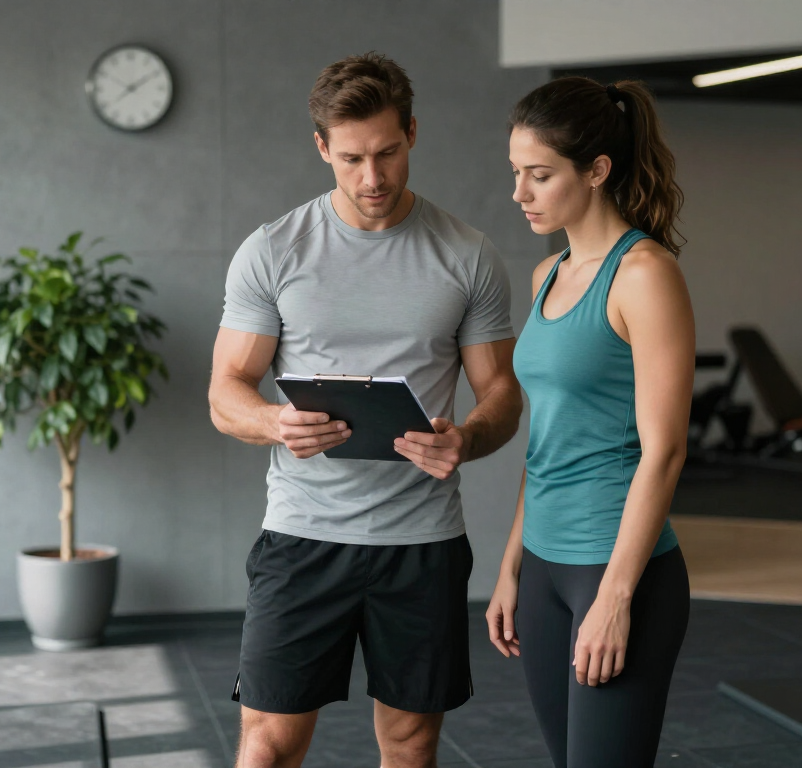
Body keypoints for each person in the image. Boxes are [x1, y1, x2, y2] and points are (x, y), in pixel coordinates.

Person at [208, 52, 523, 768]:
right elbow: (227, 387)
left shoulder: (467, 256)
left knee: (411, 743)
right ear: (322, 147)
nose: (372, 178)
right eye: (351, 159)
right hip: (301, 537)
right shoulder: (272, 252)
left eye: (387, 153)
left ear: (413, 132)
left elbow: (501, 391)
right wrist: (273, 423)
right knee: (269, 743)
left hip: (421, 543)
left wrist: (467, 438)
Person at [486, 76, 695, 767]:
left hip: (616, 565)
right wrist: (513, 564)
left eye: (539, 176)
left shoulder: (644, 274)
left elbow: (664, 452)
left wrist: (614, 597)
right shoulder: (551, 273)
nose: (520, 193)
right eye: (517, 173)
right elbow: (546, 435)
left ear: (597, 170)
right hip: (545, 565)